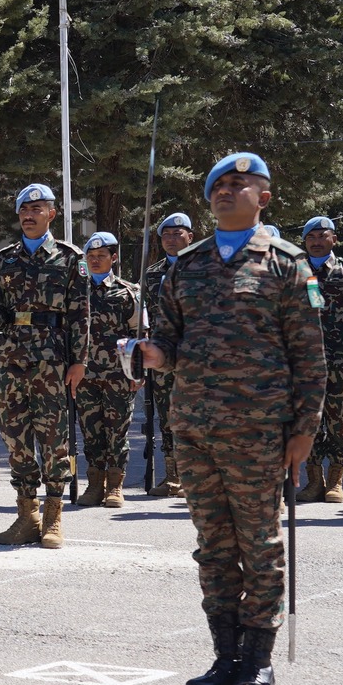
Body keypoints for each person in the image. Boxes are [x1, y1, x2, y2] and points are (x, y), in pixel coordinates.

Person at [141, 152, 325, 685]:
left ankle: (258, 661)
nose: (225, 191)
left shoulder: (287, 263)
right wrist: (153, 354)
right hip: (194, 428)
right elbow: (169, 341)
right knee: (214, 547)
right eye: (218, 185)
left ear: (263, 197)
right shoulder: (186, 264)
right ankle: (225, 657)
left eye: (239, 183)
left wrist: (305, 429)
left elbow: (310, 355)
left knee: (259, 543)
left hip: (259, 431)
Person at [0, 183, 85, 549]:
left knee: (53, 438)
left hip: (52, 360)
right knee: (15, 436)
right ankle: (27, 515)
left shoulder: (70, 258)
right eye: (24, 209)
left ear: (52, 214)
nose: (29, 215)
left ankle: (53, 516)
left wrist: (79, 361)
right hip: (12, 358)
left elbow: (80, 315)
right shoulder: (2, 260)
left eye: (37, 209)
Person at [298, 216, 343, 502]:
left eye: (322, 236)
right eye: (311, 237)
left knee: (337, 421)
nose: (316, 241)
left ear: (334, 239)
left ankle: (335, 481)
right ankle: (314, 481)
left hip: (339, 361)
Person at [70, 232, 141, 509]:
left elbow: (140, 335)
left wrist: (138, 372)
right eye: (91, 256)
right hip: (85, 376)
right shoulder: (76, 291)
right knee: (91, 431)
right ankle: (94, 484)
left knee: (117, 432)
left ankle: (115, 486)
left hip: (118, 376)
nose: (95, 260)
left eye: (101, 256)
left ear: (114, 258)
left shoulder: (128, 291)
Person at [141, 211, 196, 496]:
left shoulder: (203, 269)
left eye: (178, 233)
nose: (171, 239)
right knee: (167, 416)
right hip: (164, 356)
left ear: (190, 237)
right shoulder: (152, 274)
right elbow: (146, 317)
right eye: (166, 235)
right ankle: (173, 476)